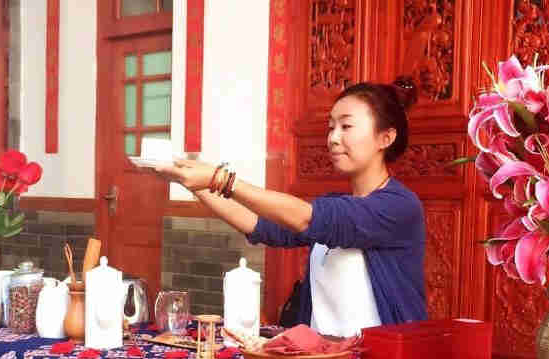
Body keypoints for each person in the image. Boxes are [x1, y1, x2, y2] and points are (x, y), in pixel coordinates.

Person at [149, 78, 427, 337]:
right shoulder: (336, 204)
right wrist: (187, 181)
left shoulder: (400, 207)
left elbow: (308, 218)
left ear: (385, 138)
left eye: (346, 126)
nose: (333, 138)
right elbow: (258, 224)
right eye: (331, 127)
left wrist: (219, 178)